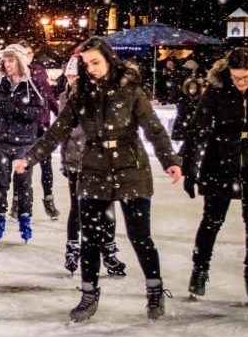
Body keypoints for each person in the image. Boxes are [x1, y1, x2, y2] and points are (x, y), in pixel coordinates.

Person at [14, 37, 183, 322]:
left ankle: (155, 291)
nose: (91, 68)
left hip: (131, 169)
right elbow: (56, 132)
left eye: (96, 62)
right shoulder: (81, 95)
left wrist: (170, 161)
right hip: (93, 171)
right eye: (86, 64)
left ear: (109, 60)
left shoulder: (130, 90)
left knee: (140, 236)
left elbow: (154, 129)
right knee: (90, 238)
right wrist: (29, 158)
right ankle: (88, 295)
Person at [182, 48, 248, 306]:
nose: (240, 82)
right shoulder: (216, 90)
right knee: (212, 220)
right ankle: (200, 271)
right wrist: (190, 168)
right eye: (236, 77)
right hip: (220, 159)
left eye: (245, 77)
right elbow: (198, 129)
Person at [56, 56, 125, 277]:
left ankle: (109, 252)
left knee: (106, 209)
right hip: (76, 162)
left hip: (101, 163)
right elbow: (62, 133)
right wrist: (63, 159)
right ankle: (73, 248)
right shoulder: (65, 98)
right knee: (77, 208)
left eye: (76, 75)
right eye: (69, 76)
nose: (72, 80)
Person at [0, 44, 46, 242]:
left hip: (25, 144)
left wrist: (18, 110)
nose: (7, 63)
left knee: (23, 184)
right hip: (2, 142)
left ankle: (25, 218)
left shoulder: (33, 85)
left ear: (20, 61)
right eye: (5, 60)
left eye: (11, 60)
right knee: (0, 183)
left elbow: (40, 112)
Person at [17, 41, 61, 221]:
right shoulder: (14, 73)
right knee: (22, 165)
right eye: (23, 53)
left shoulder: (39, 71)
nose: (27, 57)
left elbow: (48, 95)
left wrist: (61, 114)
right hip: (24, 125)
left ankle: (48, 199)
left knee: (45, 163)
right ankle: (18, 200)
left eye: (29, 53)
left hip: (42, 123)